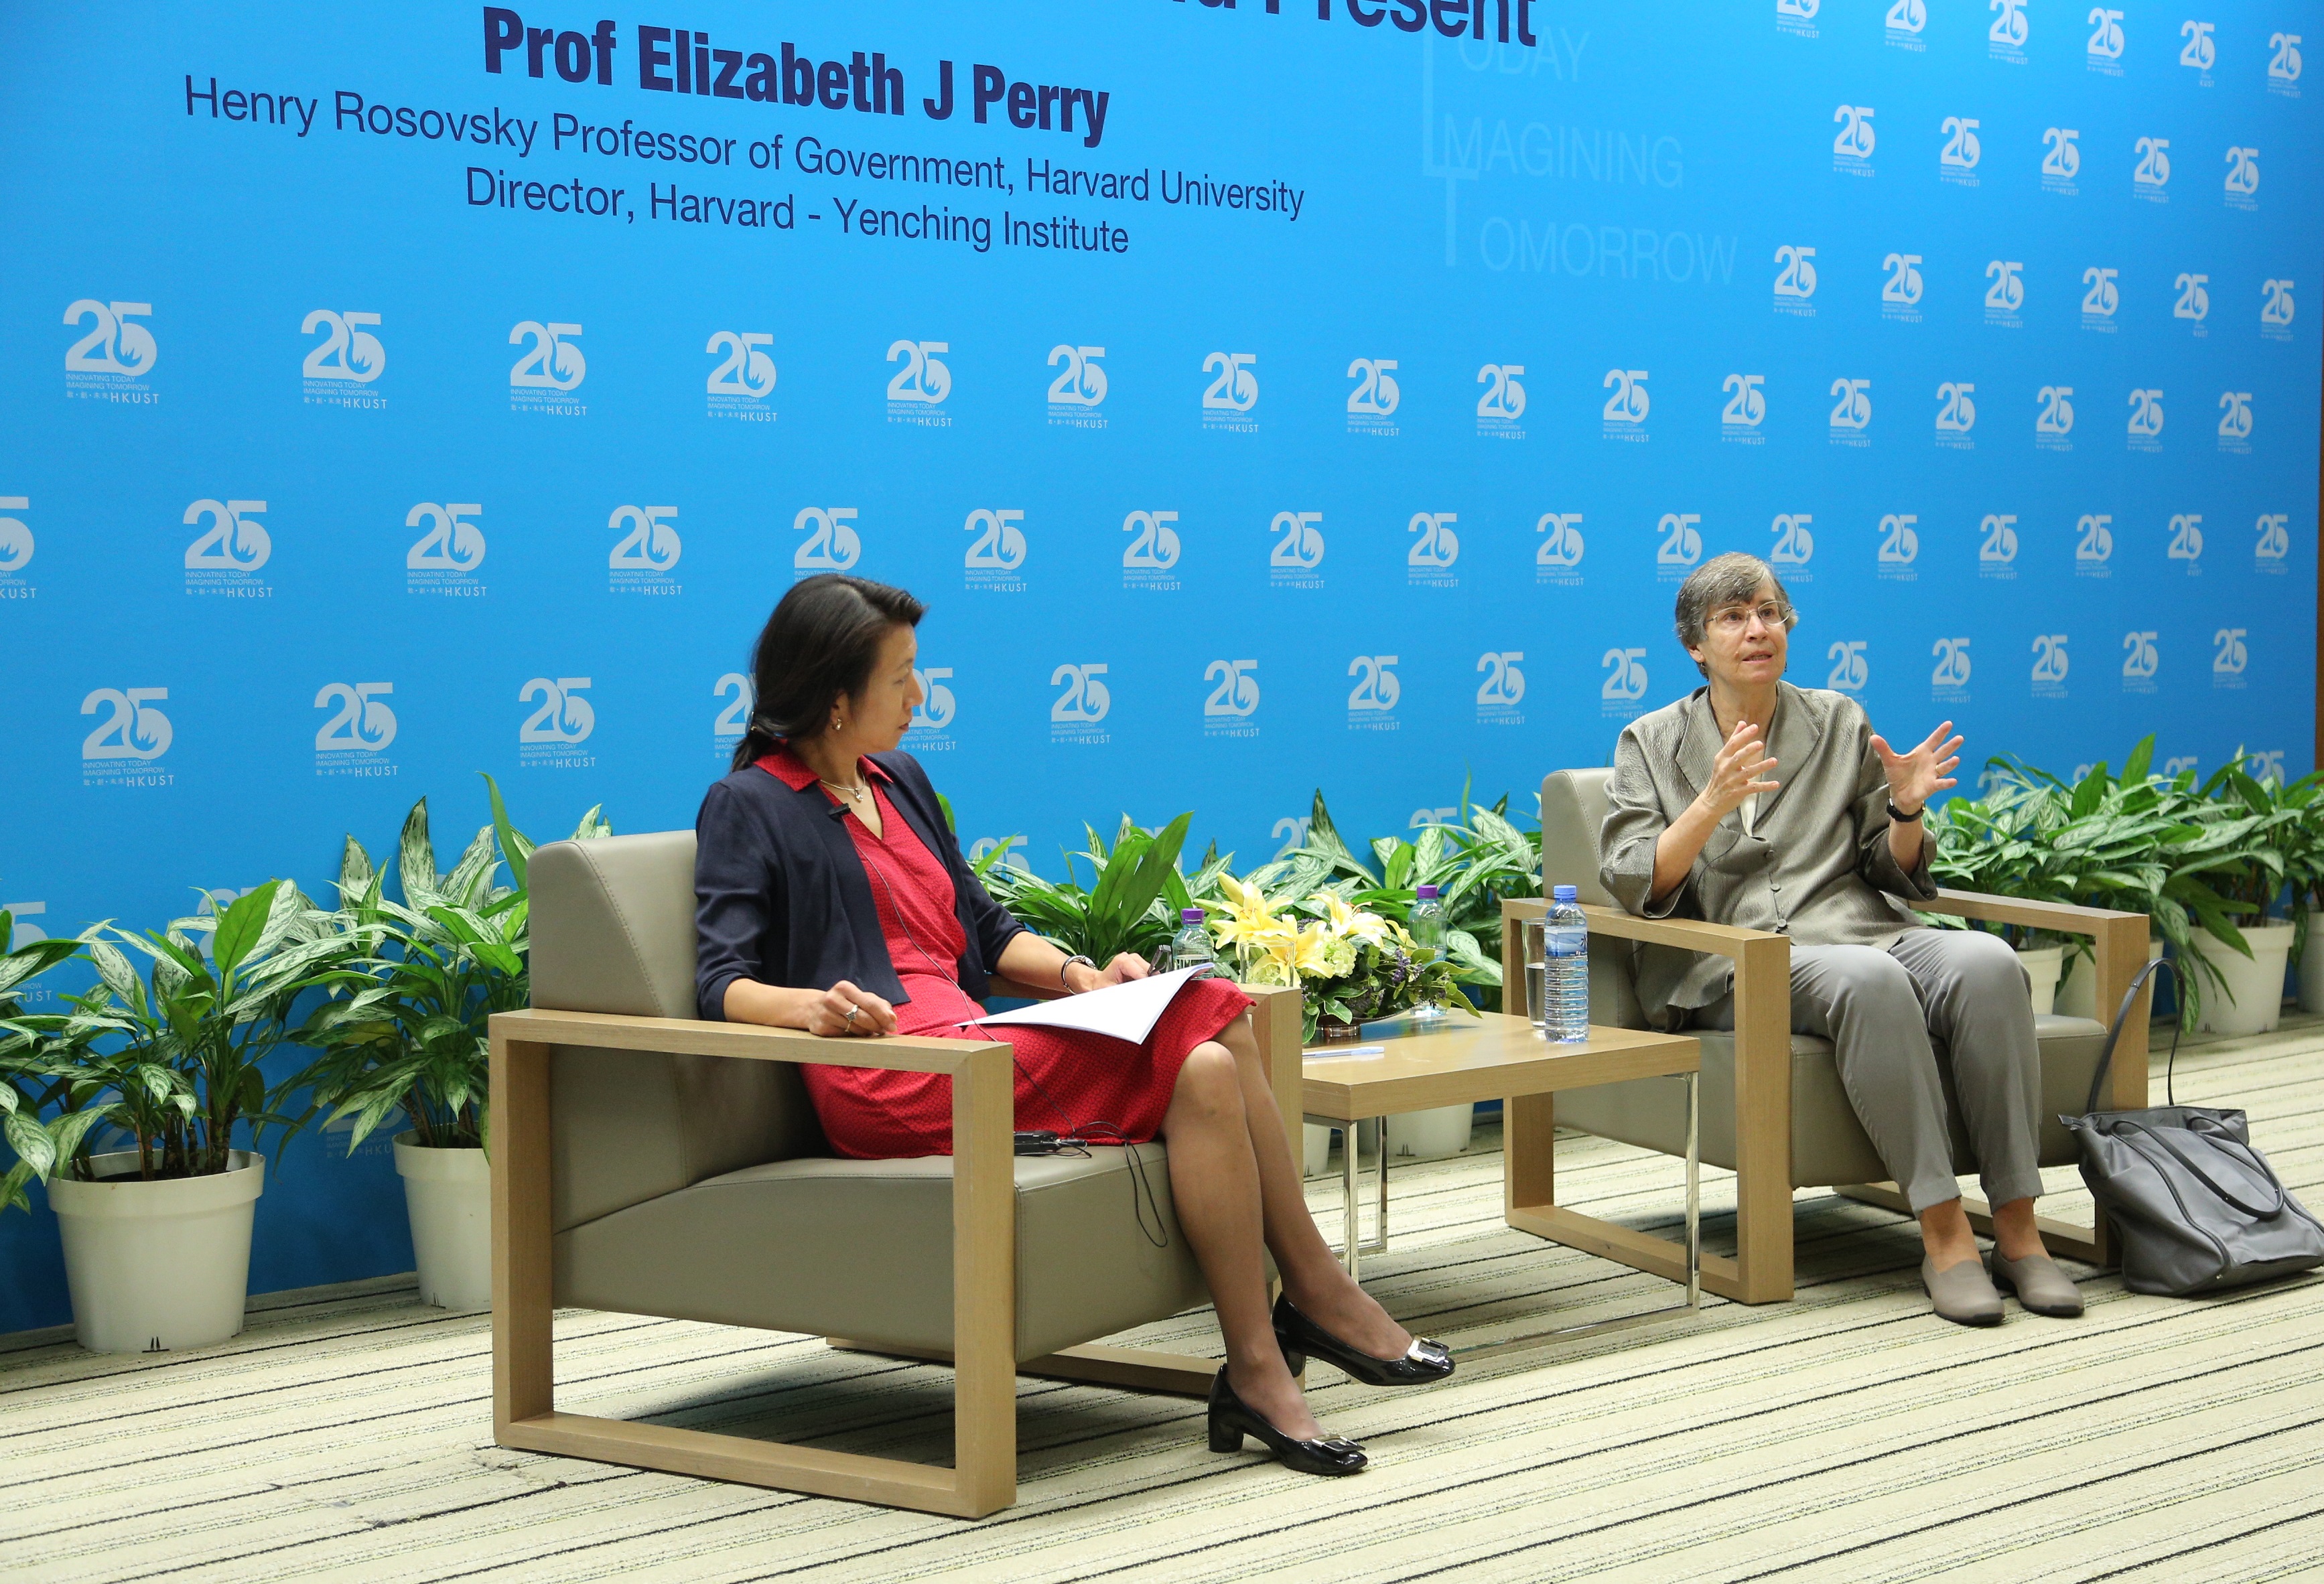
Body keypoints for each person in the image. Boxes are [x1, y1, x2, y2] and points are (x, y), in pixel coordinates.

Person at [693, 574, 1452, 1475]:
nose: (920, 696)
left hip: (971, 1046)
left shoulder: (898, 778)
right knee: (1210, 1011)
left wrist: (1084, 978)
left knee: (1209, 1060)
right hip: (891, 1071)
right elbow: (720, 980)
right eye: (901, 678)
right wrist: (809, 1008)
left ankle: (1258, 1367)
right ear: (833, 695)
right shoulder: (751, 803)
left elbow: (985, 927)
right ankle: (1316, 1291)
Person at [1599, 553, 2083, 1327]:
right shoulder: (1649, 741)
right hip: (1732, 961)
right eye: (1732, 616)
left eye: (1768, 611)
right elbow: (1633, 881)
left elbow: (1884, 869)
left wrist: (1904, 811)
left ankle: (2019, 1231)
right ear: (1695, 644)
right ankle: (1945, 1233)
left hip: (1859, 929)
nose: (1757, 628)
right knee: (1867, 980)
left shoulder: (1836, 719)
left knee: (1988, 962)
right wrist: (1708, 806)